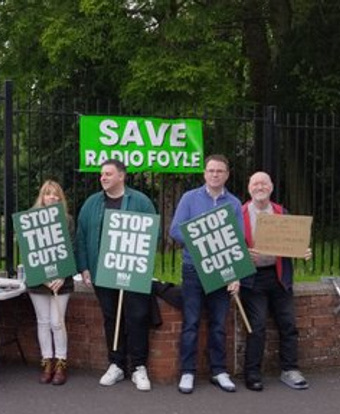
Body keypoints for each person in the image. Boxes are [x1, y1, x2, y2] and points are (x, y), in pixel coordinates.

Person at [76, 159, 156, 392]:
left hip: (133, 271)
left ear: (122, 176)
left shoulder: (140, 201)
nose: (103, 178)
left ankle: (139, 366)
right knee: (112, 318)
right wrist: (84, 267)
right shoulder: (92, 203)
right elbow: (81, 237)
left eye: (108, 174)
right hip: (103, 273)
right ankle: (116, 363)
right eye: (102, 174)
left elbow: (153, 234)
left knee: (137, 317)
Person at [170, 154, 243, 394]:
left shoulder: (233, 203)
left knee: (218, 324)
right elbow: (176, 230)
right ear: (204, 173)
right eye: (211, 170)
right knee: (190, 322)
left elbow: (238, 241)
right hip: (193, 269)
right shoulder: (189, 198)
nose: (215, 175)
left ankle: (219, 371)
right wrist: (203, 239)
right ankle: (188, 372)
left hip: (221, 270)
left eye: (219, 171)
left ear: (227, 174)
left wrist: (235, 275)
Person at [241, 171, 311, 391]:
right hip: (252, 279)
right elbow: (229, 245)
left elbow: (292, 243)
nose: (259, 187)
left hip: (279, 276)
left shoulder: (282, 213)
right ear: (249, 188)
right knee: (257, 326)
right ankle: (252, 373)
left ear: (271, 188)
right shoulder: (238, 213)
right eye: (255, 183)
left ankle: (290, 369)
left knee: (288, 324)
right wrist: (244, 254)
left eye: (264, 183)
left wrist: (303, 251)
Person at [27, 180, 74, 386]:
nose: (52, 198)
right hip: (39, 280)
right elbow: (30, 250)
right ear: (42, 197)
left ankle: (61, 362)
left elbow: (71, 248)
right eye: (48, 194)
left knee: (57, 322)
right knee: (43, 322)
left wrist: (60, 276)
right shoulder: (31, 219)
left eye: (56, 195)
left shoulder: (68, 220)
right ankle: (47, 361)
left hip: (61, 280)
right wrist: (43, 276)